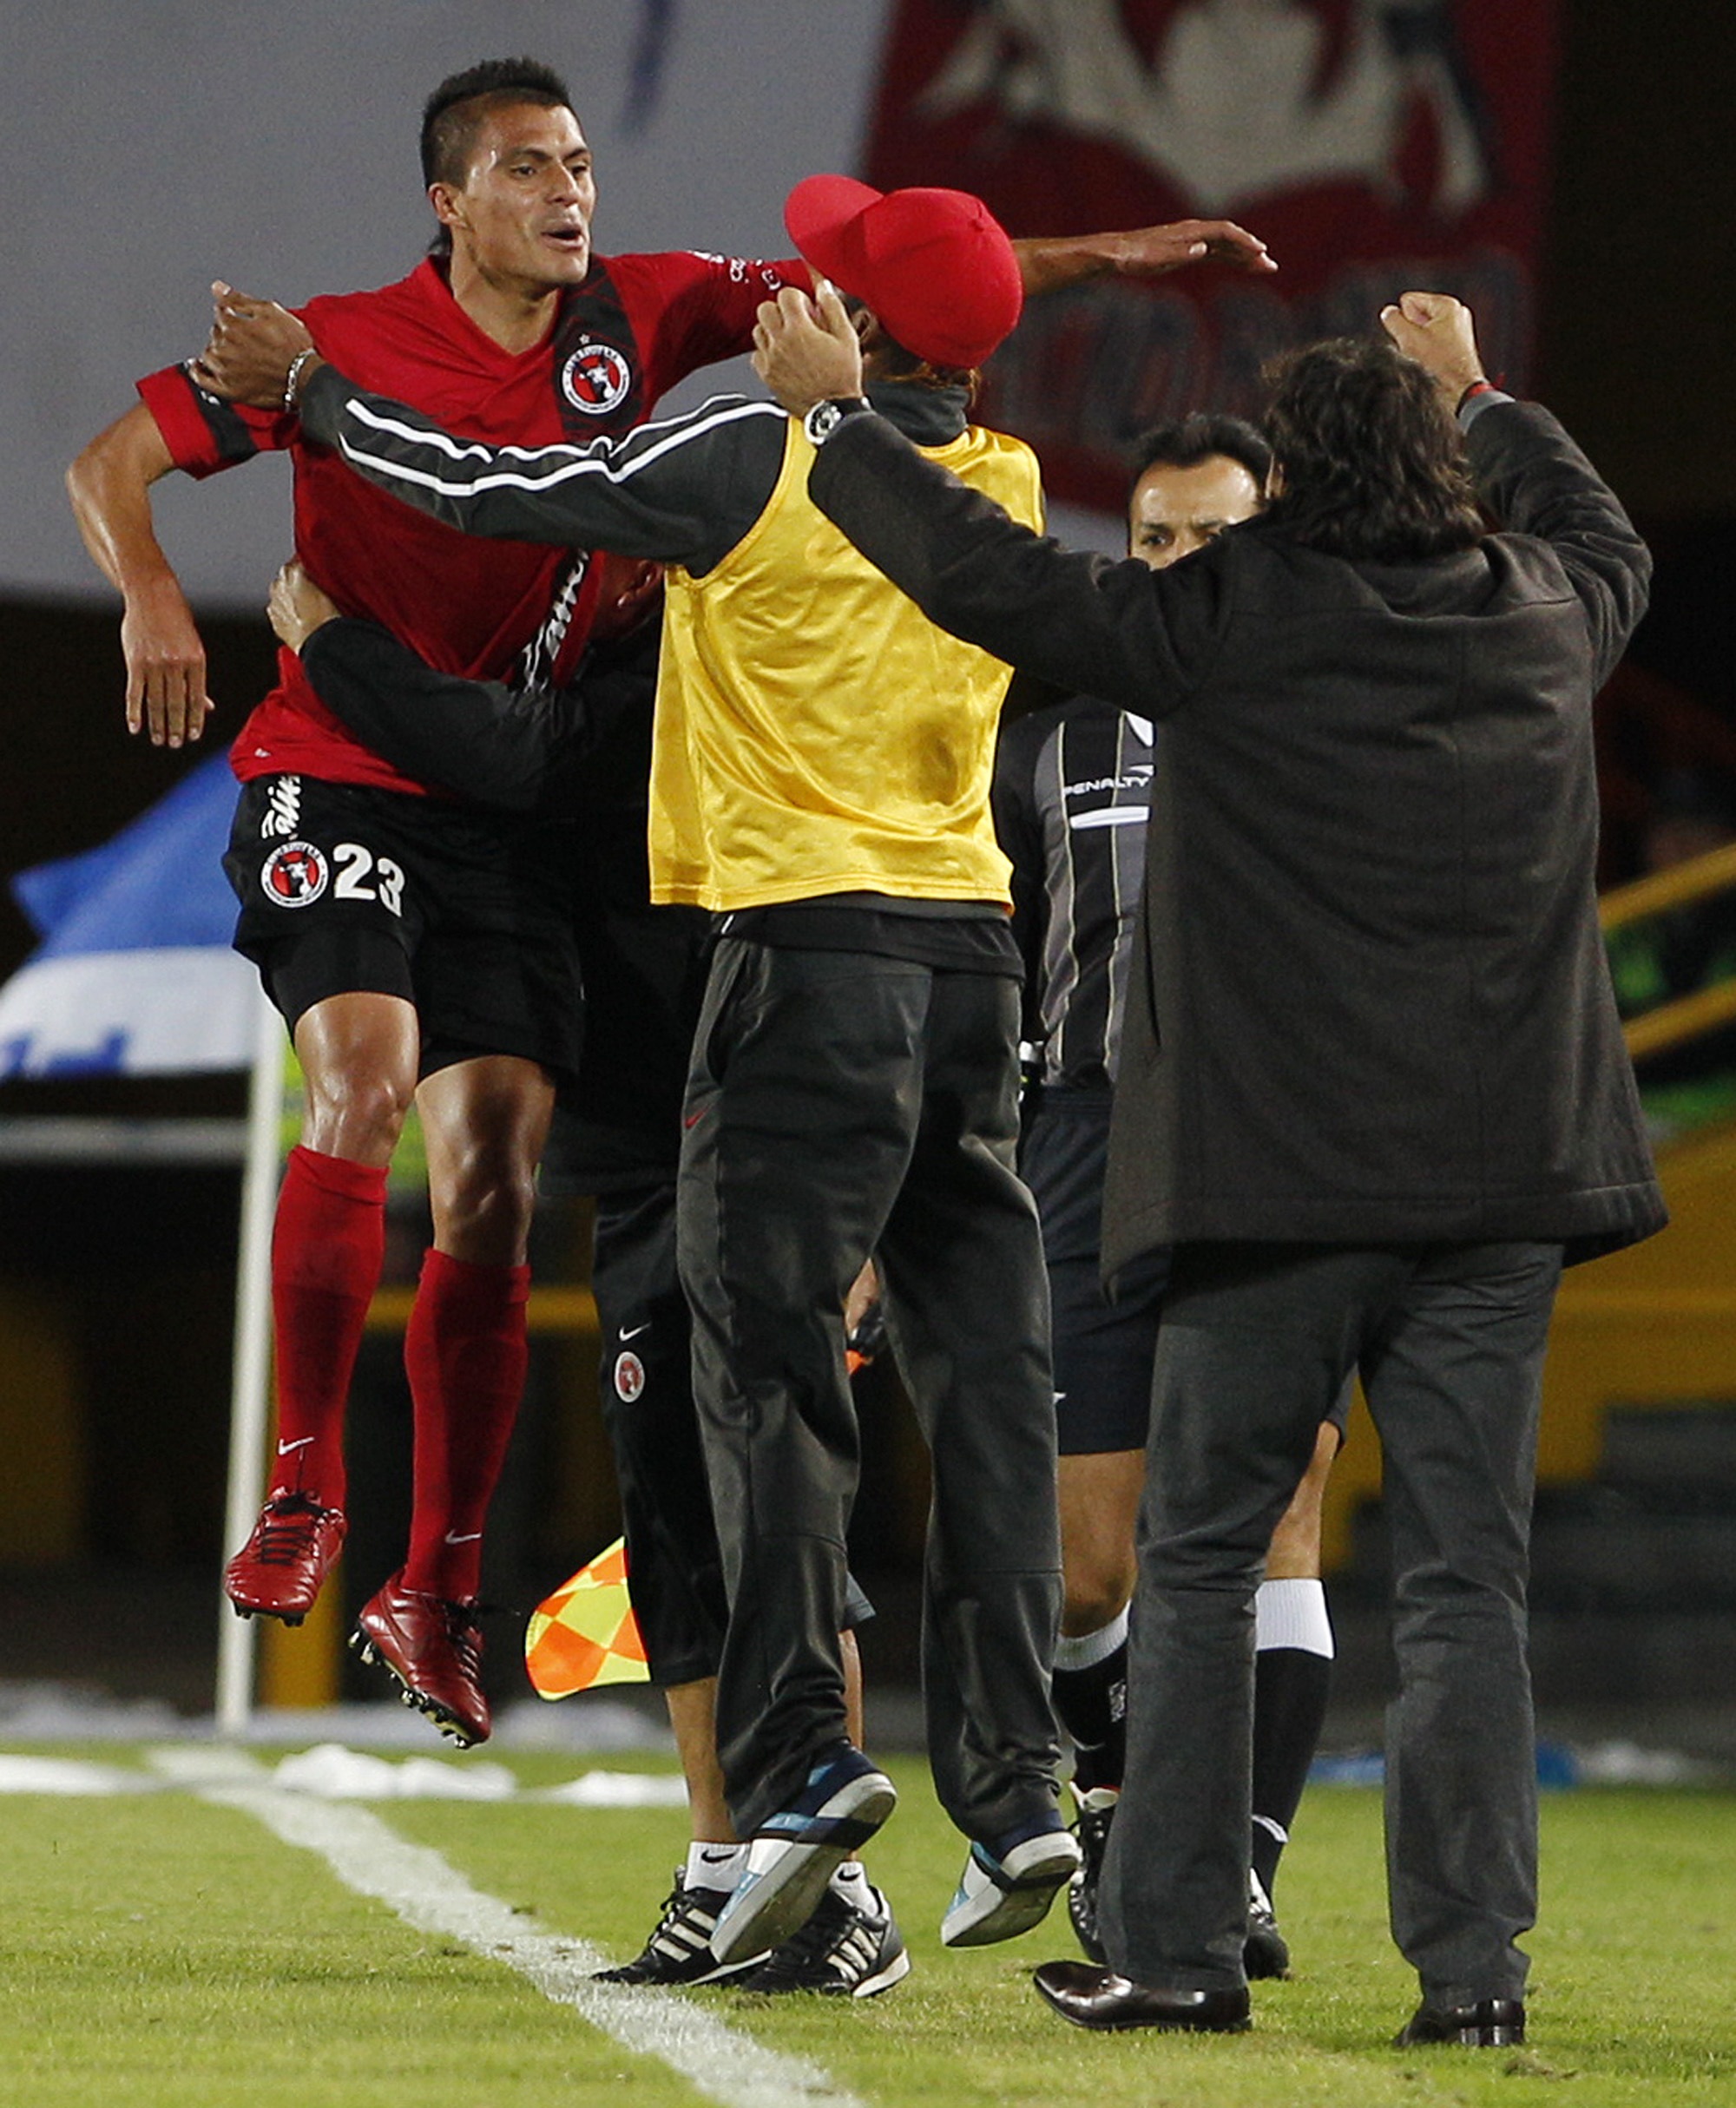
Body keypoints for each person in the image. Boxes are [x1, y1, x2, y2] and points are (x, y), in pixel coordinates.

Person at [66, 50, 1266, 1754]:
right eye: (531, 165)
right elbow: (111, 463)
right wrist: (151, 601)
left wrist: (1103, 253)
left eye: (580, 162)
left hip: (541, 827)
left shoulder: (650, 318)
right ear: (449, 197)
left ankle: (444, 1585)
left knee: (494, 1183)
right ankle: (303, 1490)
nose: (572, 190)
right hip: (348, 773)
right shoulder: (331, 340)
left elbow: (885, 304)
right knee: (365, 1081)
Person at [753, 285, 1666, 2043]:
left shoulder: (1231, 613)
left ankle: (1173, 1953)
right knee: (1468, 1585)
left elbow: (989, 579)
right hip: (1501, 1193)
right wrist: (1480, 390)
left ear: (1296, 485)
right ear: (1439, 468)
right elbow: (1597, 523)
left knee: (1194, 1560)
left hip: (1277, 1191)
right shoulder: (1542, 611)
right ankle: (1473, 1984)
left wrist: (834, 425)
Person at [266, 562, 906, 1997]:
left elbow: (514, 755)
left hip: (757, 1143)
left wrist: (332, 638)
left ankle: (846, 1891)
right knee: (671, 1524)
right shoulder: (543, 682)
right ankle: (723, 1871)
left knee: (781, 1513)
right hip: (632, 1161)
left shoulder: (704, 677)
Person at [994, 414, 1343, 1980]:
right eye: (1153, 542)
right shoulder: (1044, 743)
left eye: (1212, 539)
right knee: (1087, 1560)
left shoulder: (1335, 719)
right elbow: (993, 955)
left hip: (1273, 1141)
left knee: (1279, 1509)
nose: (1179, 568)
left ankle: (1238, 1875)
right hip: (1081, 1131)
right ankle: (1128, 1803)